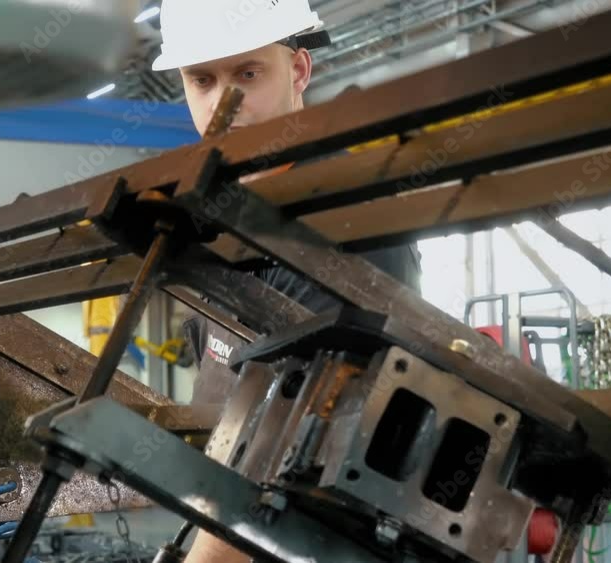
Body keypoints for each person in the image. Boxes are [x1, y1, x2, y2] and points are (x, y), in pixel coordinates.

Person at [153, 1, 423, 561]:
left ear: (299, 70)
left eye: (248, 73)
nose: (222, 102)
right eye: (201, 80)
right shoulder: (212, 221)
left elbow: (309, 445)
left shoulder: (346, 219)